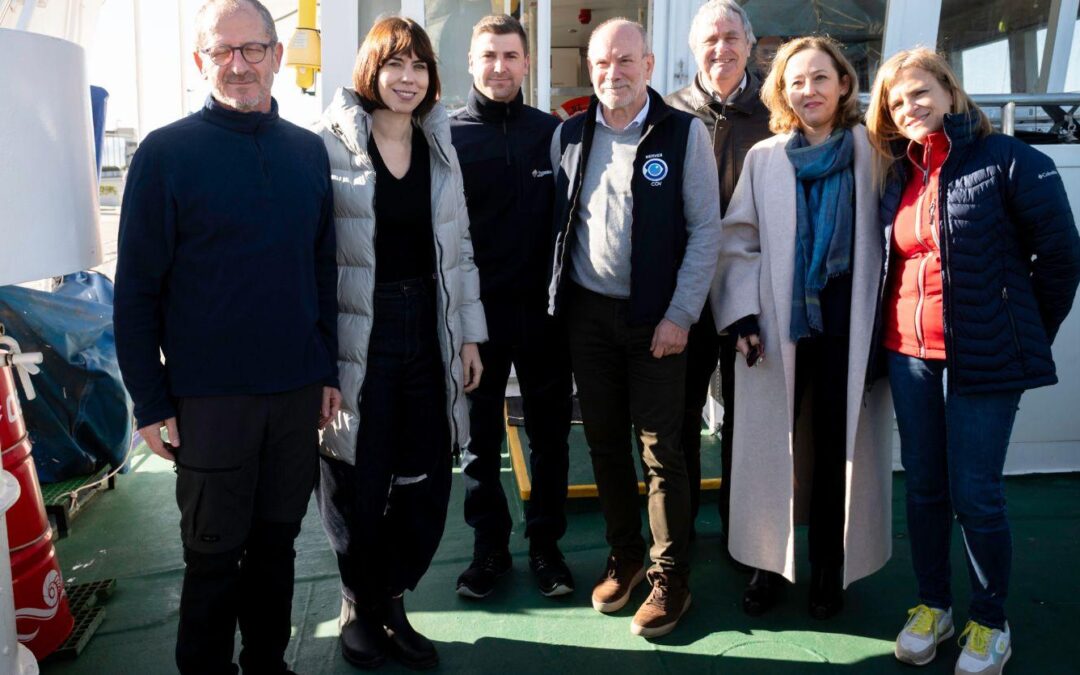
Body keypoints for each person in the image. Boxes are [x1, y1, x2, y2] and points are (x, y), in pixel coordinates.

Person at [113, 1, 340, 673]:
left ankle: (266, 664)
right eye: (222, 52)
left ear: (276, 53)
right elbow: (136, 291)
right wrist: (150, 402)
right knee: (213, 557)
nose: (238, 64)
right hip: (209, 402)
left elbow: (320, 269)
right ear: (200, 61)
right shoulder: (165, 155)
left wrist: (325, 368)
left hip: (296, 393)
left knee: (277, 546)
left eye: (252, 49)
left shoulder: (307, 153)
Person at [866, 47, 1080, 674]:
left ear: (950, 91)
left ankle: (990, 619)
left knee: (977, 493)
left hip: (985, 356)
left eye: (920, 92)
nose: (910, 107)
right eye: (896, 101)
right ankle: (934, 604)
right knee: (925, 487)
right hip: (909, 353)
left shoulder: (1014, 161)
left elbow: (1062, 261)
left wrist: (1021, 335)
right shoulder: (897, 173)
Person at [314, 16, 487, 671]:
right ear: (371, 70)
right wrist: (319, 358)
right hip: (362, 324)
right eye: (395, 64)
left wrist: (469, 335)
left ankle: (391, 597)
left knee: (425, 473)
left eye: (418, 66)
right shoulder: (328, 146)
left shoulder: (440, 143)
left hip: (431, 325)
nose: (407, 78)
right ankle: (359, 604)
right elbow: (314, 257)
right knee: (358, 472)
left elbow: (460, 247)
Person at [548, 18, 721, 638]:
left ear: (649, 65)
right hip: (589, 317)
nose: (612, 73)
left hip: (658, 321)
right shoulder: (569, 135)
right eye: (601, 63)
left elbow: (706, 231)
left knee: (661, 450)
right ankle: (624, 556)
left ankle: (670, 575)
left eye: (625, 61)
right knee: (602, 444)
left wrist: (680, 315)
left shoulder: (682, 134)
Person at [713, 36, 893, 620]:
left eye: (820, 77)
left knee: (836, 452)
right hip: (779, 332)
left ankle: (829, 571)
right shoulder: (766, 158)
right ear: (781, 91)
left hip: (852, 328)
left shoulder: (876, 151)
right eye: (796, 80)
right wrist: (741, 314)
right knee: (775, 451)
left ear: (844, 84)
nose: (808, 90)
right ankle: (768, 566)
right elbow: (738, 240)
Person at [449, 14, 574, 600]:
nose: (500, 67)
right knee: (479, 443)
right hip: (478, 317)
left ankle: (546, 548)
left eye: (510, 56)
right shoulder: (447, 139)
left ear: (527, 64)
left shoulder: (553, 134)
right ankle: (490, 549)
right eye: (489, 56)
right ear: (472, 63)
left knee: (550, 438)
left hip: (545, 317)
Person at [664, 0, 771, 547]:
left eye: (732, 37)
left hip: (751, 296)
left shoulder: (776, 112)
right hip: (685, 292)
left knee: (745, 423)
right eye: (709, 38)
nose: (721, 48)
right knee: (679, 418)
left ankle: (744, 537)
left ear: (750, 44)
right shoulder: (669, 112)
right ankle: (676, 532)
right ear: (693, 48)